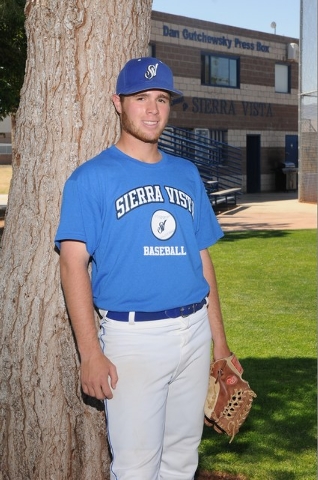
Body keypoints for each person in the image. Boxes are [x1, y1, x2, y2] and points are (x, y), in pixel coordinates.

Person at [55, 56, 231, 480]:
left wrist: (221, 347)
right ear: (118, 103)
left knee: (181, 460)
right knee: (135, 468)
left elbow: (201, 260)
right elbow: (72, 263)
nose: (152, 109)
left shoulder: (187, 174)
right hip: (133, 340)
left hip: (194, 334)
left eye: (161, 98)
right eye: (140, 98)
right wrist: (90, 353)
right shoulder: (91, 178)